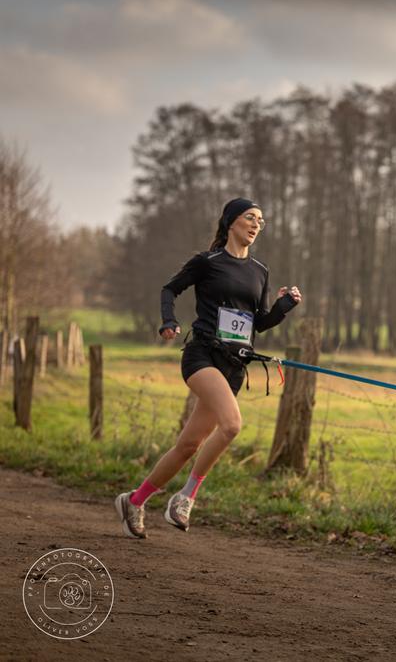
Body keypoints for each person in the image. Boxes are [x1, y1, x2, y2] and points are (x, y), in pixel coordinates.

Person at [115, 198, 302, 538]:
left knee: (188, 445)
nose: (256, 224)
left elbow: (258, 323)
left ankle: (134, 500)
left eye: (261, 220)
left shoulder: (260, 271)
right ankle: (185, 498)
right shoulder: (208, 261)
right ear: (231, 221)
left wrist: (283, 306)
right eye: (250, 217)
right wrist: (169, 321)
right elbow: (170, 289)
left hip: (234, 366)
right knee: (231, 426)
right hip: (202, 355)